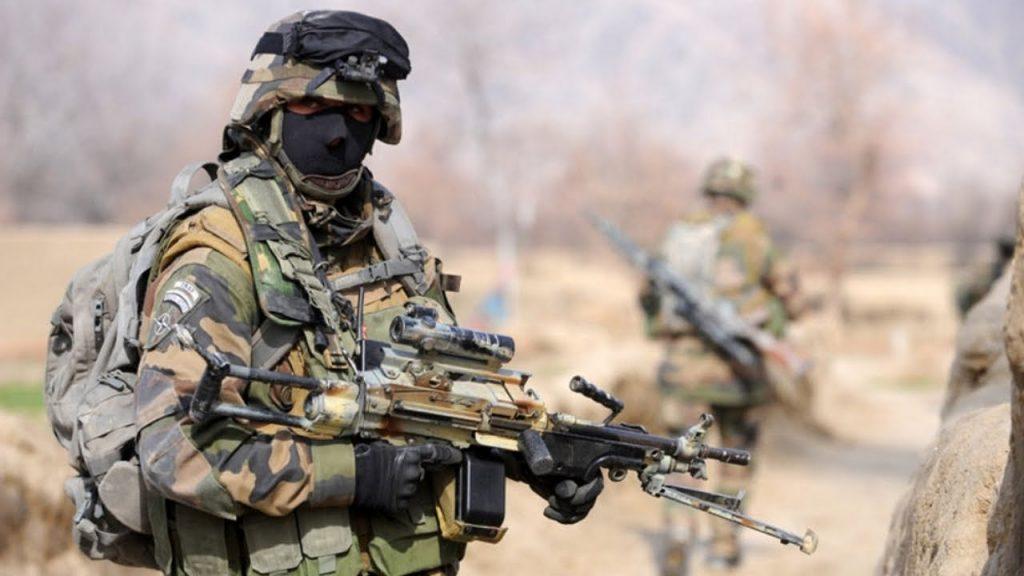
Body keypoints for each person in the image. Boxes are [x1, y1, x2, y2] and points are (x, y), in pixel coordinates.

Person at [135, 11, 601, 576]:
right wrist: (353, 476)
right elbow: (174, 448)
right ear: (269, 114)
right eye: (314, 109)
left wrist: (529, 458)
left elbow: (434, 406)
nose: (337, 133)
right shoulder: (220, 249)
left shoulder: (388, 241)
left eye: (357, 113)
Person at [640, 157, 801, 571]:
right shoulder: (754, 236)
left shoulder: (681, 235)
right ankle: (724, 545)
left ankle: (678, 534)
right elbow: (791, 299)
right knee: (736, 457)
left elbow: (649, 296)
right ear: (746, 192)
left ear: (709, 189)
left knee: (678, 455)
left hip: (683, 371)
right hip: (739, 375)